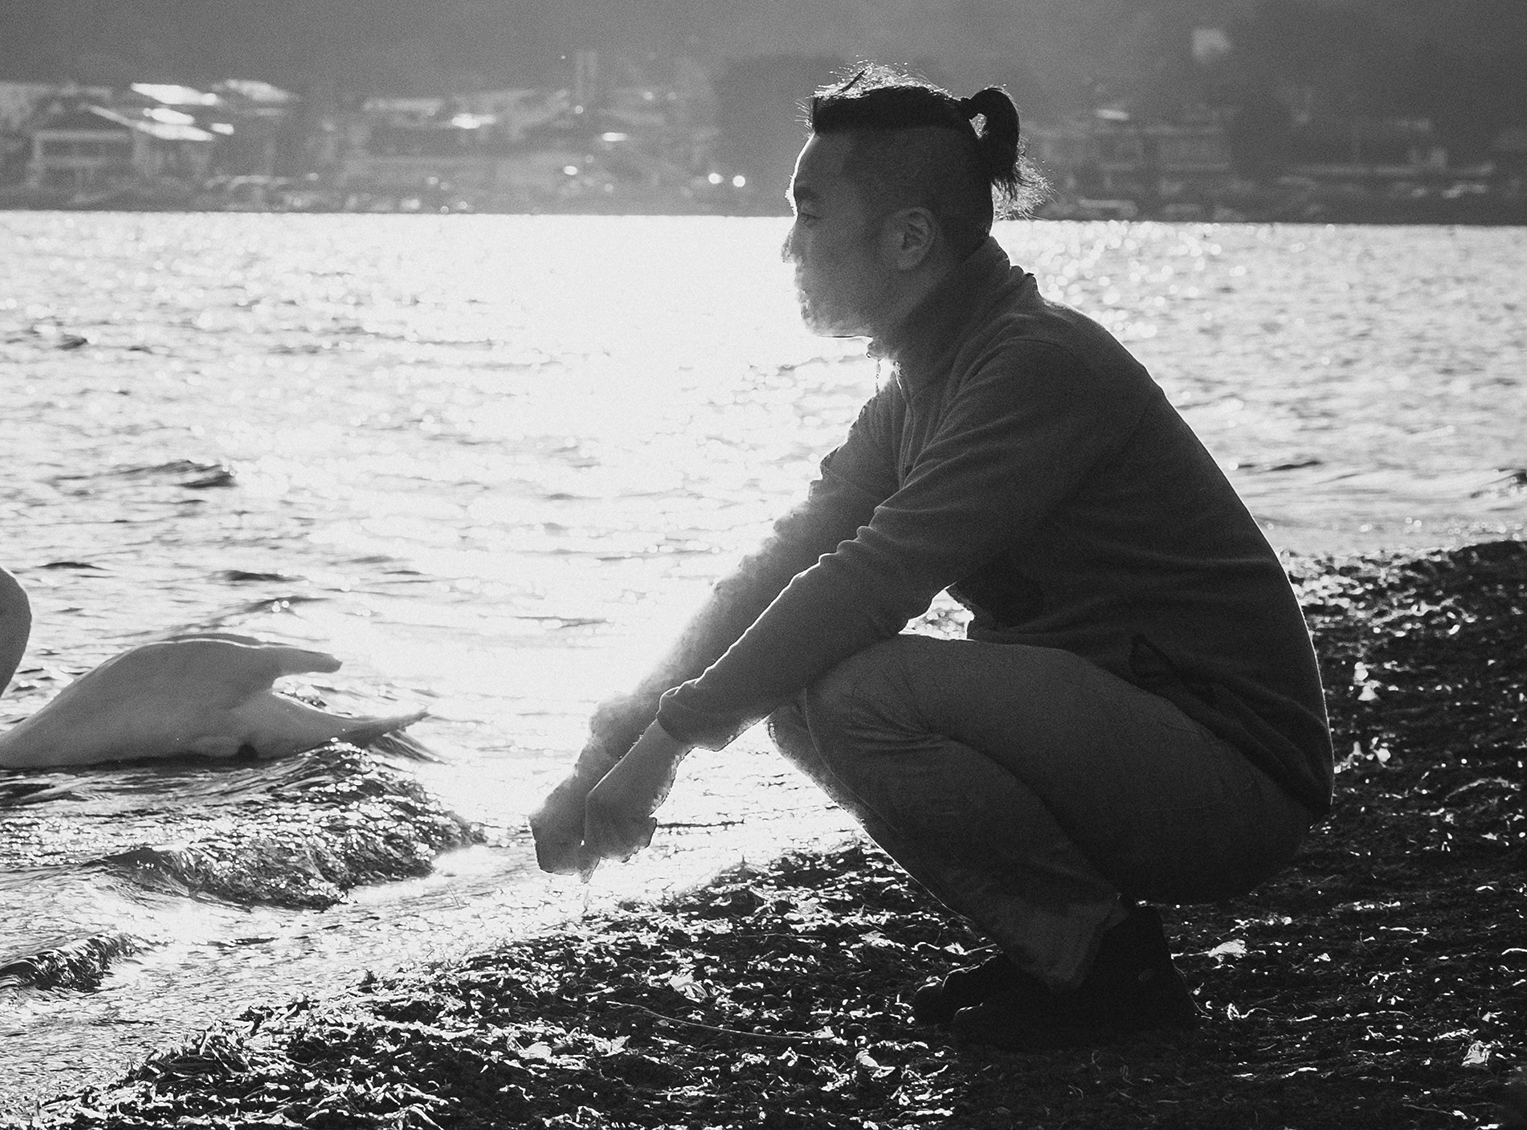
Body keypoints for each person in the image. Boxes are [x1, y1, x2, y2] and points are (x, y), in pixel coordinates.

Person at [529, 66, 1328, 1050]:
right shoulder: (920, 389)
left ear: (909, 239)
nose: (789, 246)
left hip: (1235, 779)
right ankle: (1063, 945)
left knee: (860, 691)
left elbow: (871, 581)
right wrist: (606, 754)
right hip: (1140, 742)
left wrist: (667, 747)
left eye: (810, 214)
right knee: (794, 678)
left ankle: (1103, 966)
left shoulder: (1035, 363)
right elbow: (777, 568)